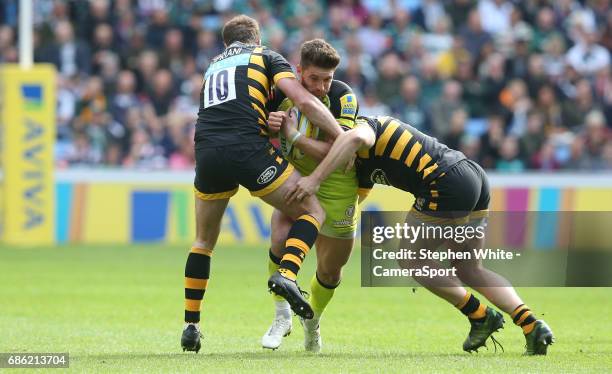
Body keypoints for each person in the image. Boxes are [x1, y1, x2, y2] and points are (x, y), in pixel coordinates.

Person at [288, 115, 555, 355]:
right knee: (469, 268)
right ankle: (531, 324)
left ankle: (480, 315)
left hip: (444, 181)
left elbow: (355, 137)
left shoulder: (361, 127)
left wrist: (309, 166)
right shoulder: (358, 165)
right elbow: (353, 203)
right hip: (471, 176)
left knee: (410, 258)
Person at [181, 15, 343, 353]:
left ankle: (191, 325)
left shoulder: (212, 66)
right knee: (312, 209)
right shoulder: (265, 56)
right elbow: (303, 100)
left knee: (203, 241)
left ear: (228, 43)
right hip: (246, 149)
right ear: (257, 38)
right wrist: (341, 138)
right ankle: (286, 272)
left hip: (206, 150)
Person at [261, 39, 360, 352]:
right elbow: (256, 135)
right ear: (299, 70)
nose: (320, 87)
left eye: (327, 79)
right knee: (278, 239)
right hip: (299, 182)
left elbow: (341, 154)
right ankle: (281, 316)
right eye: (314, 78)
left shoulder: (343, 97)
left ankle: (313, 322)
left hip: (339, 189)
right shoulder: (280, 95)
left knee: (330, 271)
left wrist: (292, 136)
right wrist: (268, 128)